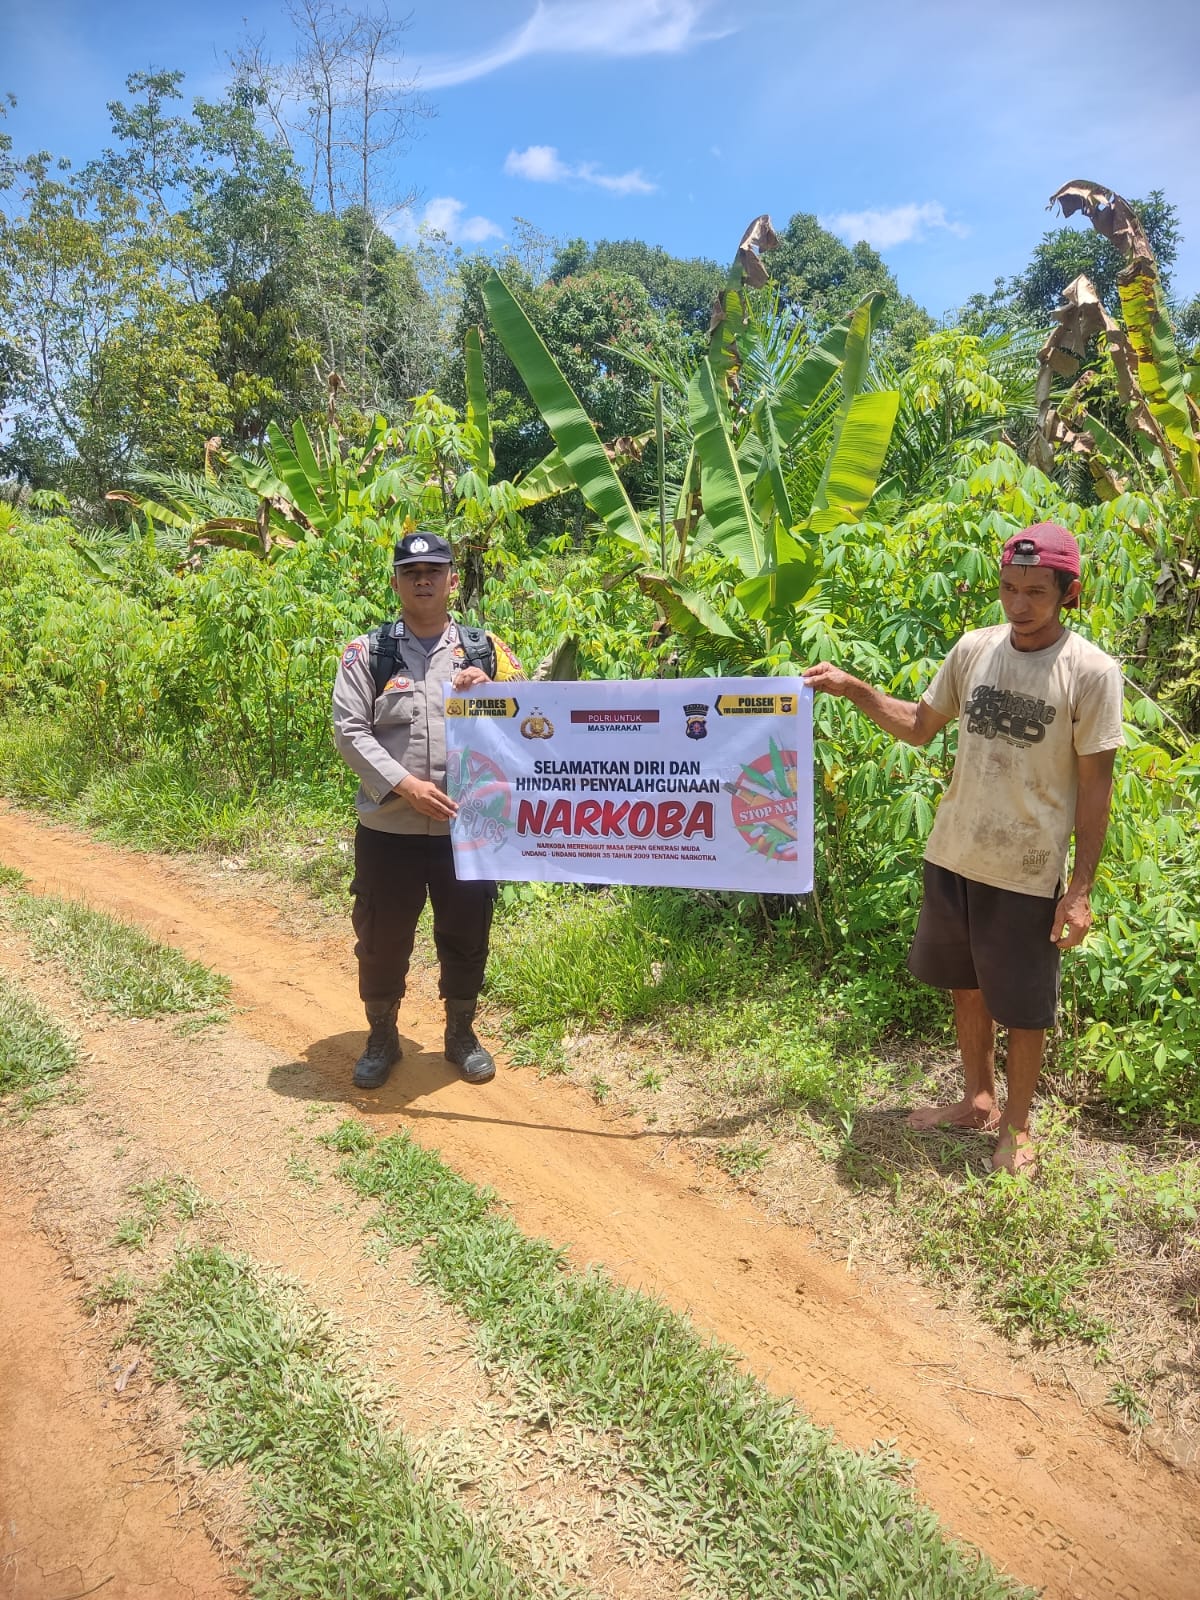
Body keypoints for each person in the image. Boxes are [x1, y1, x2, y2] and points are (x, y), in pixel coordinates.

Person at [803, 523, 1123, 1174]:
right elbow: (920, 728)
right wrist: (855, 689)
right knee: (966, 987)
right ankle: (977, 1100)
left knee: (1024, 1006)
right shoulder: (974, 650)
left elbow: (1095, 790)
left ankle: (1018, 1128)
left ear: (1068, 592)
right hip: (953, 853)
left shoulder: (1091, 671)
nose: (1019, 605)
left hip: (1027, 870)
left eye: (1036, 591)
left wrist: (1081, 888)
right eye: (1008, 588)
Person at [332, 531, 523, 1091]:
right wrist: (405, 785)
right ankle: (382, 1035)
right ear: (395, 582)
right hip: (389, 826)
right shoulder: (367, 653)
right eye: (411, 572)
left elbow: (533, 720)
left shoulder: (487, 649)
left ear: (452, 582)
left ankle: (460, 1033)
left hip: (468, 827)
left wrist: (493, 691)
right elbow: (349, 730)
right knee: (381, 935)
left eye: (434, 571)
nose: (423, 580)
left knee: (467, 930)